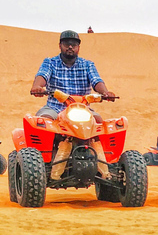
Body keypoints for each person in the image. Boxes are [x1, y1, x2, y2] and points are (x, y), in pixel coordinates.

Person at [30, 30, 115, 179]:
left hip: (82, 109)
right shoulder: (50, 62)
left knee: (99, 122)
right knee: (42, 121)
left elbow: (96, 81)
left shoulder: (87, 64)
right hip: (55, 107)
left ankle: (106, 164)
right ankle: (41, 164)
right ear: (60, 45)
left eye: (74, 44)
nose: (70, 47)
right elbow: (42, 75)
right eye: (66, 44)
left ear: (78, 47)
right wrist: (38, 87)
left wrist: (105, 92)